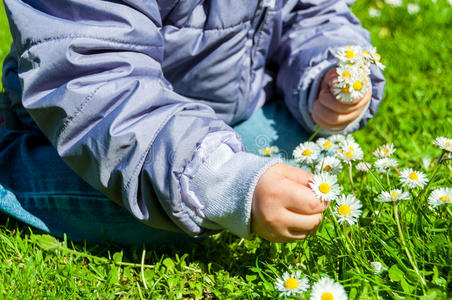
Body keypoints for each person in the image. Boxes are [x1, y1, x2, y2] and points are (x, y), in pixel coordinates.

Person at [0, 0, 384, 245]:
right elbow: (94, 78)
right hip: (109, 127)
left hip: (228, 107)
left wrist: (322, 74)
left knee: (304, 154)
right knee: (172, 214)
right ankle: (13, 175)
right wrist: (220, 181)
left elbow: (314, 13)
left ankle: (219, 176)